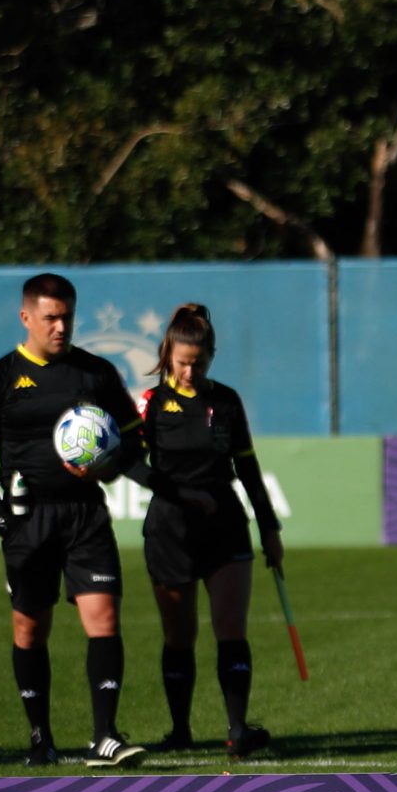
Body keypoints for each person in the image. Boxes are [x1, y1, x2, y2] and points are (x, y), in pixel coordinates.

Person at [0, 273, 153, 767]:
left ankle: (104, 736)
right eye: (50, 318)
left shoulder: (97, 374)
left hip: (85, 515)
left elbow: (131, 442)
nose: (61, 326)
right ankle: (40, 738)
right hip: (29, 521)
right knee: (29, 630)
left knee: (104, 620)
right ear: (26, 318)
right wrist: (1, 522)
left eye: (67, 316)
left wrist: (112, 468)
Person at [134, 305, 283, 759]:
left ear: (211, 356)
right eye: (181, 362)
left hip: (226, 531)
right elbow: (130, 465)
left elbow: (249, 470)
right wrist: (179, 493)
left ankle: (238, 732)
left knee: (230, 632)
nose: (189, 370)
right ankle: (180, 730)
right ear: (167, 355)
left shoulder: (228, 402)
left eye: (198, 362)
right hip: (169, 533)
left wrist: (269, 528)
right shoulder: (150, 404)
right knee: (178, 638)